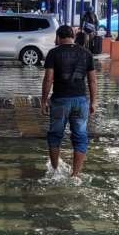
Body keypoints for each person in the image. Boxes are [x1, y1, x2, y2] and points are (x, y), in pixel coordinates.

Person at [41, 25, 97, 177]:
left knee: (55, 136)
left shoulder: (53, 53)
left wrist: (43, 101)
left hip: (60, 101)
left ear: (58, 37)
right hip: (80, 101)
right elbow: (92, 81)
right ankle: (75, 175)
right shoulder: (86, 53)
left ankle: (55, 171)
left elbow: (48, 79)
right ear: (72, 36)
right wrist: (93, 102)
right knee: (80, 137)